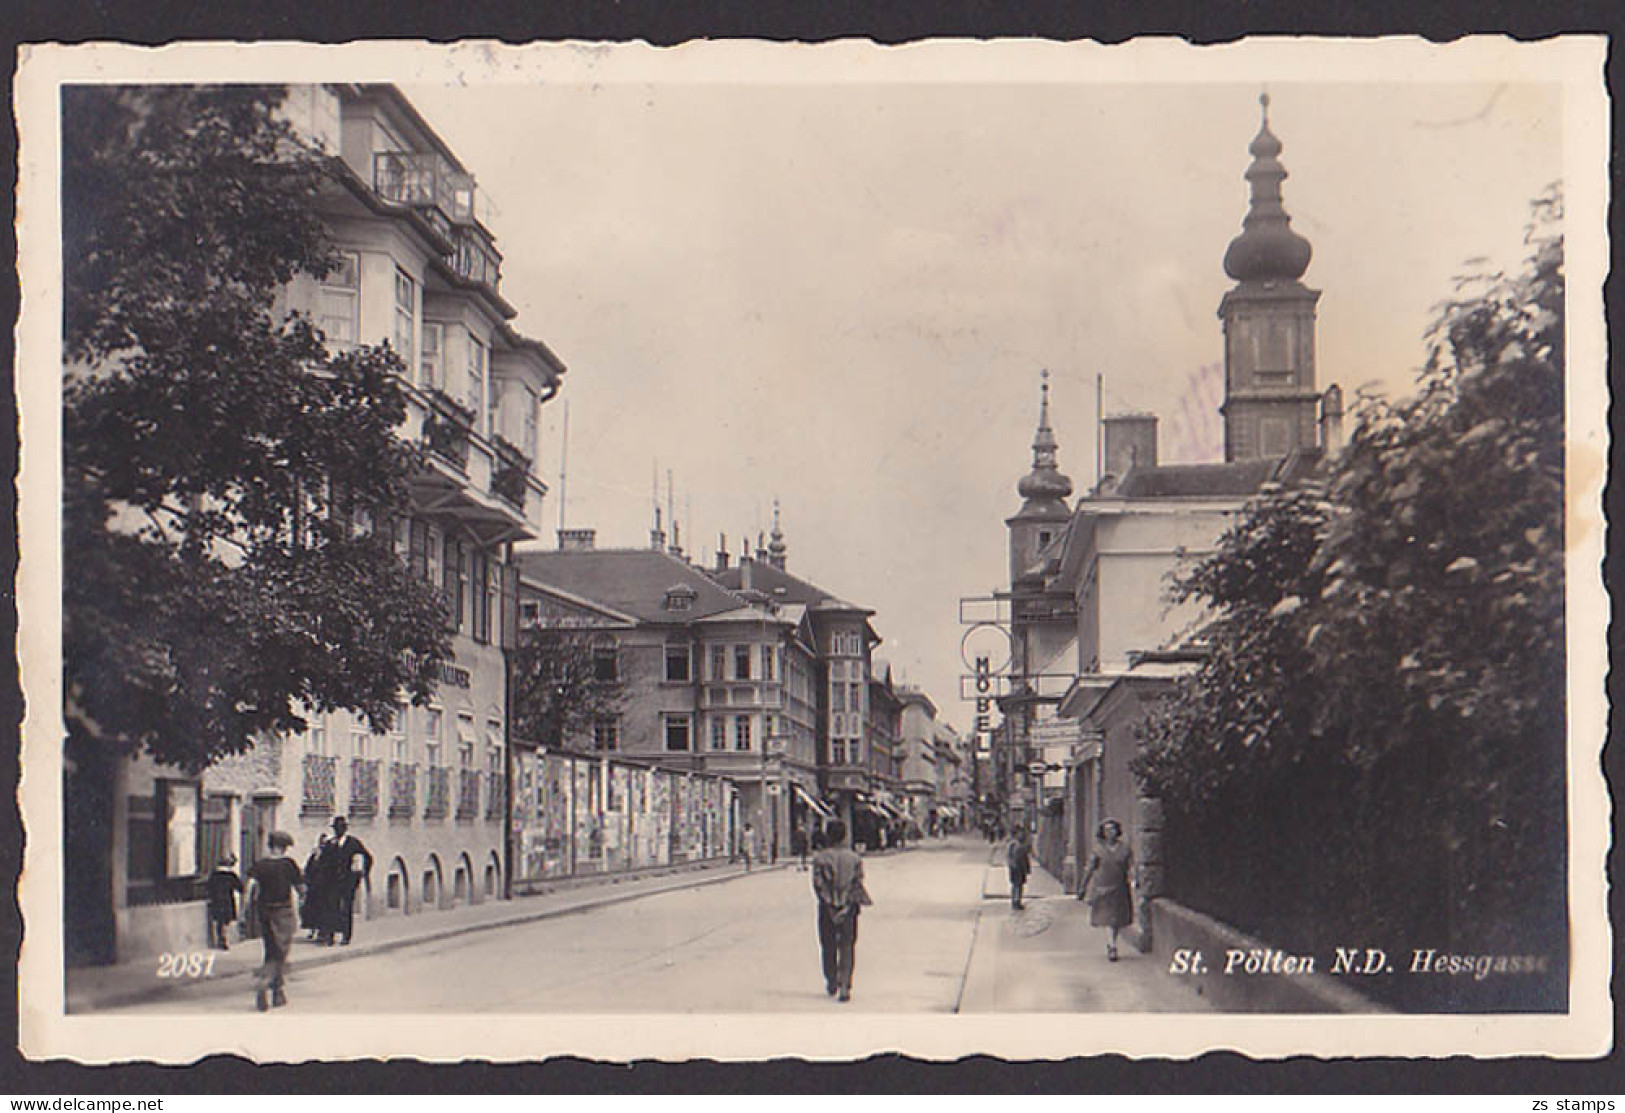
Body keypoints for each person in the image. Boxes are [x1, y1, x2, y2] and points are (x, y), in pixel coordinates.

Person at [811, 818, 871, 1002]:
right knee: (847, 946)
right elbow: (857, 884)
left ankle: (831, 980)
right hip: (849, 908)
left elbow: (818, 885)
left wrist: (830, 906)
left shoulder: (820, 859)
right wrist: (846, 907)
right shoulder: (854, 858)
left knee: (828, 945)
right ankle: (845, 984)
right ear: (845, 835)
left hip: (827, 909)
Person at [244, 830, 304, 1011]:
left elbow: (250, 887)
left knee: (270, 948)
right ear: (283, 847)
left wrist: (244, 911)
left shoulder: (260, 865)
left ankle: (278, 992)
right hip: (283, 911)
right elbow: (300, 887)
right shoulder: (288, 864)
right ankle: (266, 981)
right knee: (281, 951)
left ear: (270, 845)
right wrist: (302, 899)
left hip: (264, 911)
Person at [1078, 818, 1134, 961]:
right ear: (1102, 833)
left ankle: (1112, 942)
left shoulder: (1125, 849)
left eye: (1113, 829)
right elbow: (1089, 868)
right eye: (1107, 830)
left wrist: (1134, 880)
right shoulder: (1098, 850)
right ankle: (1112, 946)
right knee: (1108, 919)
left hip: (1120, 888)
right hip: (1102, 888)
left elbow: (1131, 867)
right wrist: (1083, 887)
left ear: (1118, 831)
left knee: (1116, 920)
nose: (1110, 832)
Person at [325, 816, 373, 946]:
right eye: (336, 828)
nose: (337, 831)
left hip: (348, 882)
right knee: (331, 907)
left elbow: (367, 858)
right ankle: (330, 936)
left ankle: (346, 936)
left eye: (340, 828)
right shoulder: (330, 844)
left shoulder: (353, 843)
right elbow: (324, 863)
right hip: (332, 882)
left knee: (346, 908)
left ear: (345, 829)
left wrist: (360, 874)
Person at [204, 854, 242, 951]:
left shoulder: (214, 875)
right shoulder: (231, 875)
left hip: (216, 900)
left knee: (219, 921)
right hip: (227, 900)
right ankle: (223, 939)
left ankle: (220, 937)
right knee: (225, 921)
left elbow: (208, 887)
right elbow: (240, 887)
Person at [302, 833, 331, 942]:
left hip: (326, 888)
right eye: (321, 843)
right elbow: (308, 868)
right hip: (314, 887)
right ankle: (312, 930)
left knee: (324, 911)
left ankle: (322, 932)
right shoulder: (314, 855)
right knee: (312, 910)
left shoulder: (330, 855)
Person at [1006, 827, 1033, 911]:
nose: (1021, 835)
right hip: (1017, 868)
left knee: (1018, 885)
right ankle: (1016, 901)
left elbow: (1024, 857)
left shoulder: (1016, 844)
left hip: (1018, 868)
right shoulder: (1015, 845)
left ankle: (1016, 901)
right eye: (1019, 833)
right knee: (1017, 886)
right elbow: (1016, 858)